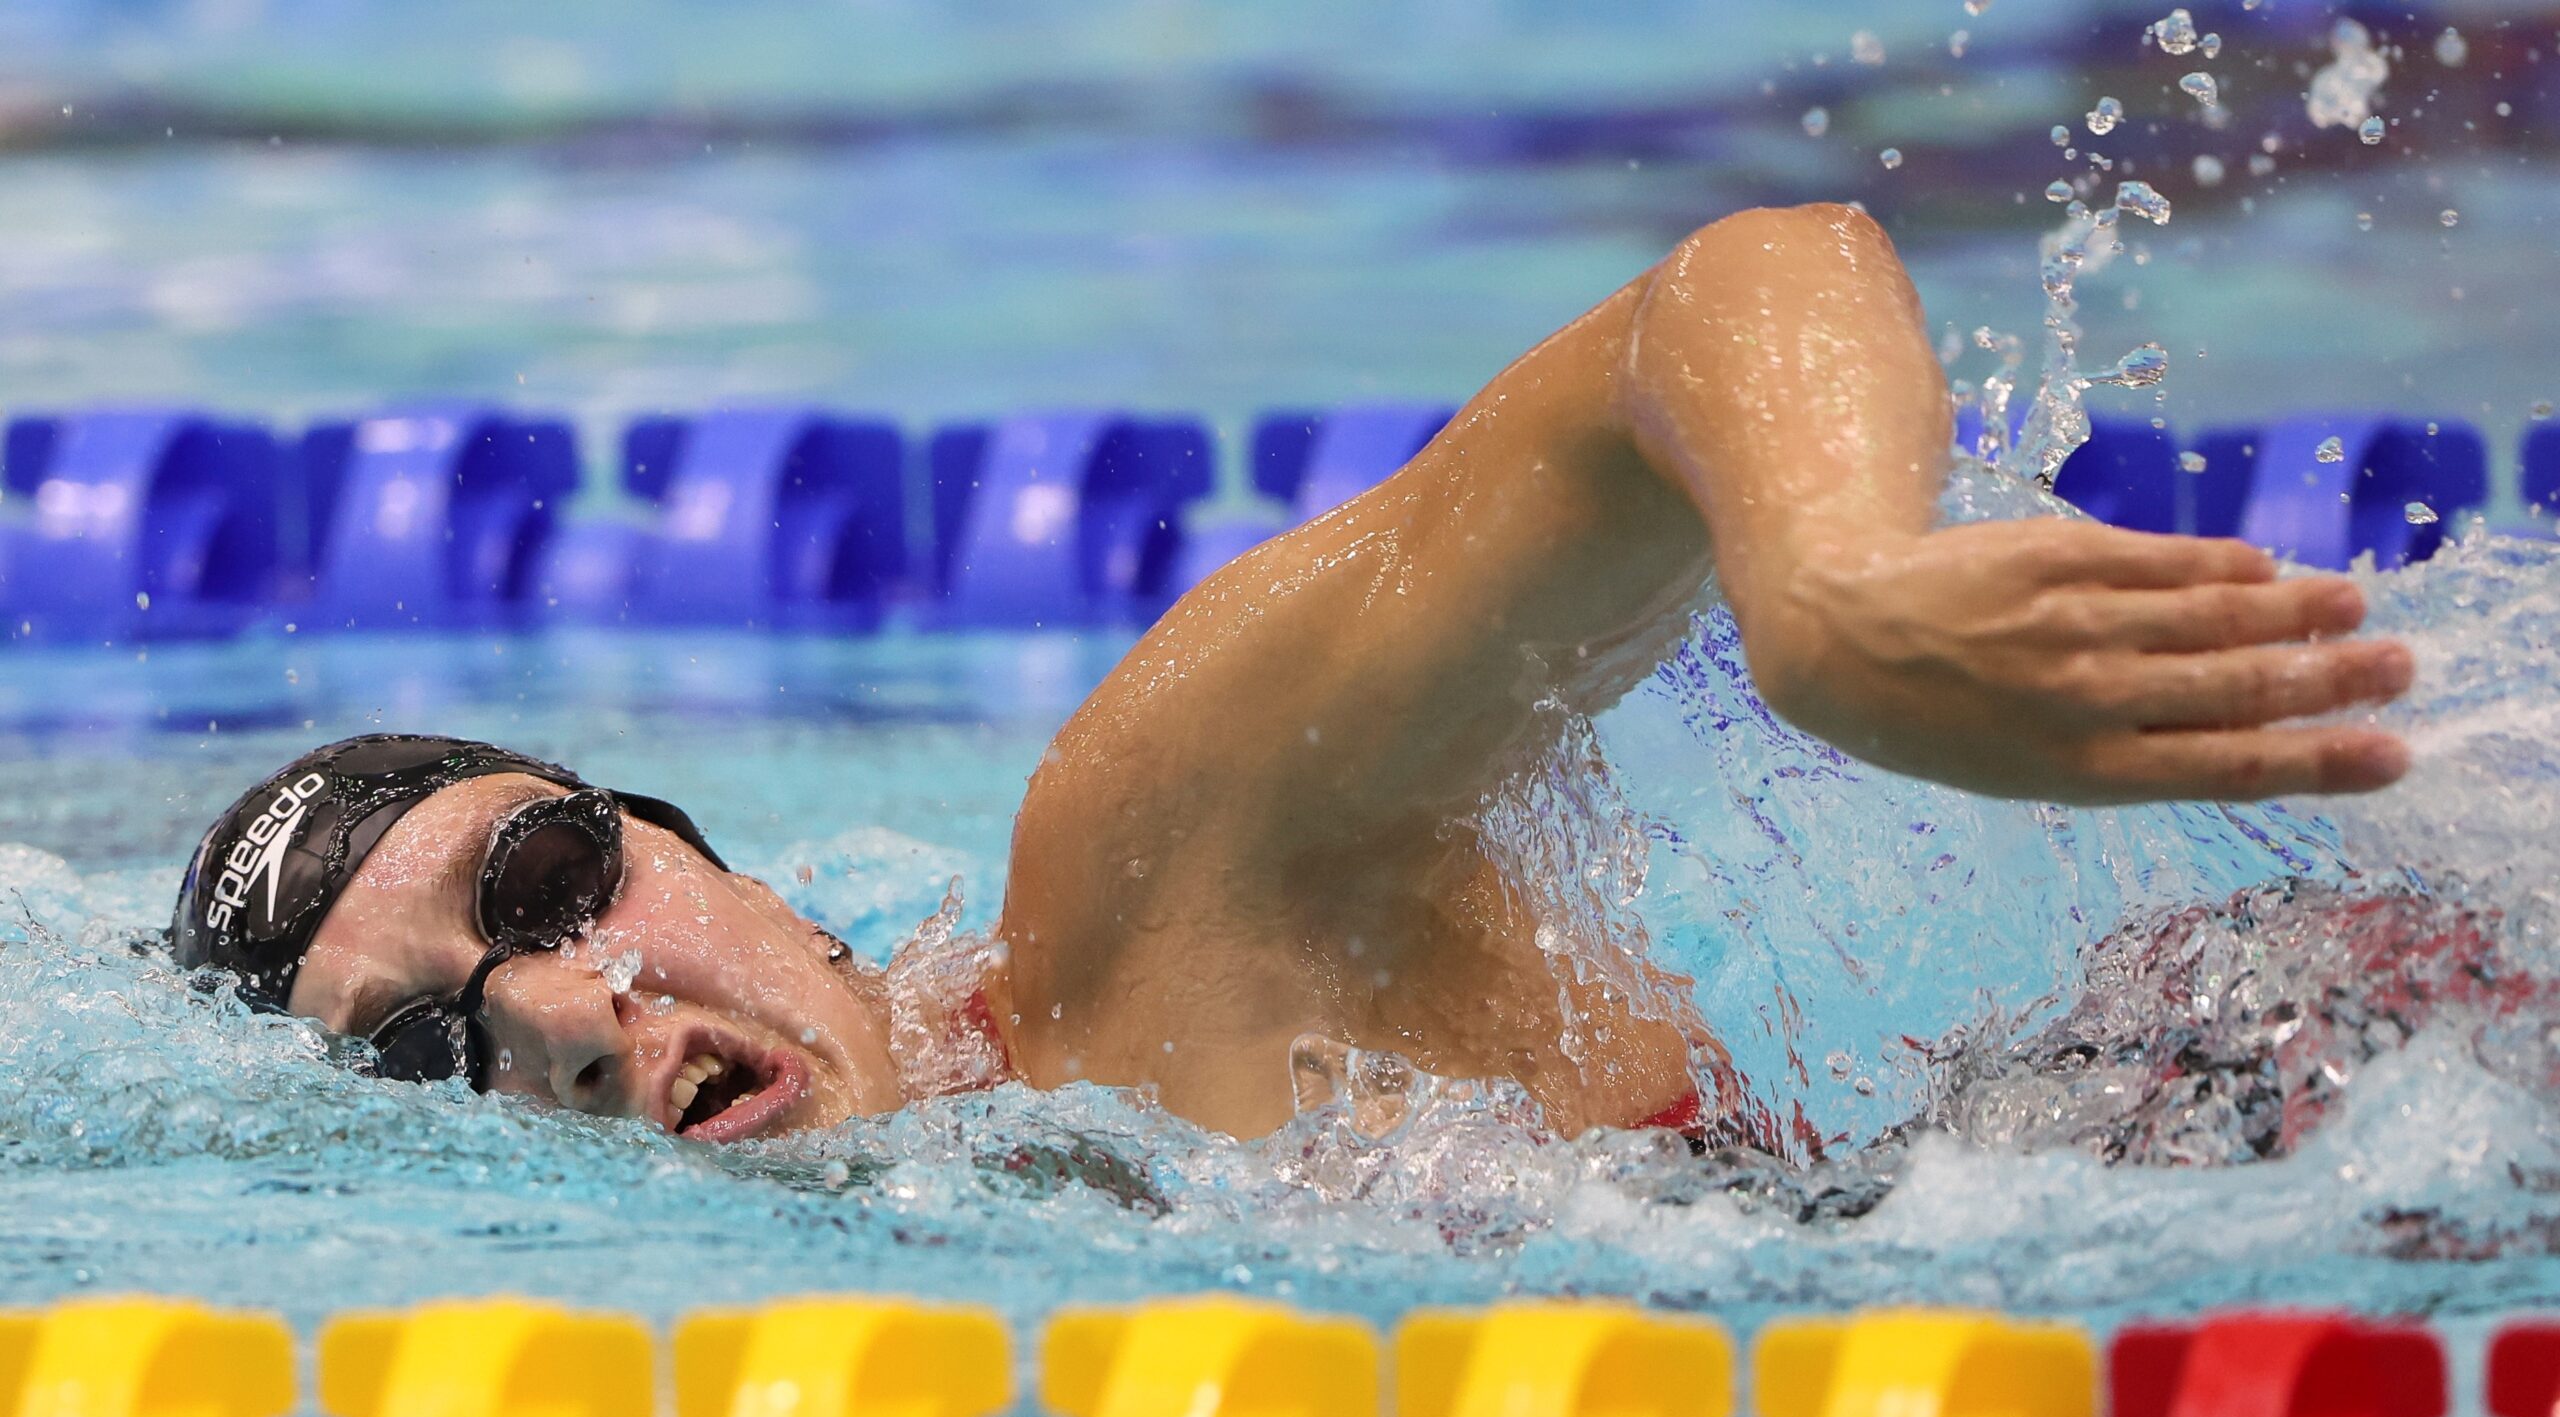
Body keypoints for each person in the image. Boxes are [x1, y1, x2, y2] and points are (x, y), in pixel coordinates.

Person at [170, 204, 2414, 1147]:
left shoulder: (1150, 880)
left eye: (551, 874)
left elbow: (1731, 283)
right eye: (427, 1051)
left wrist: (1830, 598)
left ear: (691, 840)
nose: (566, 1014)